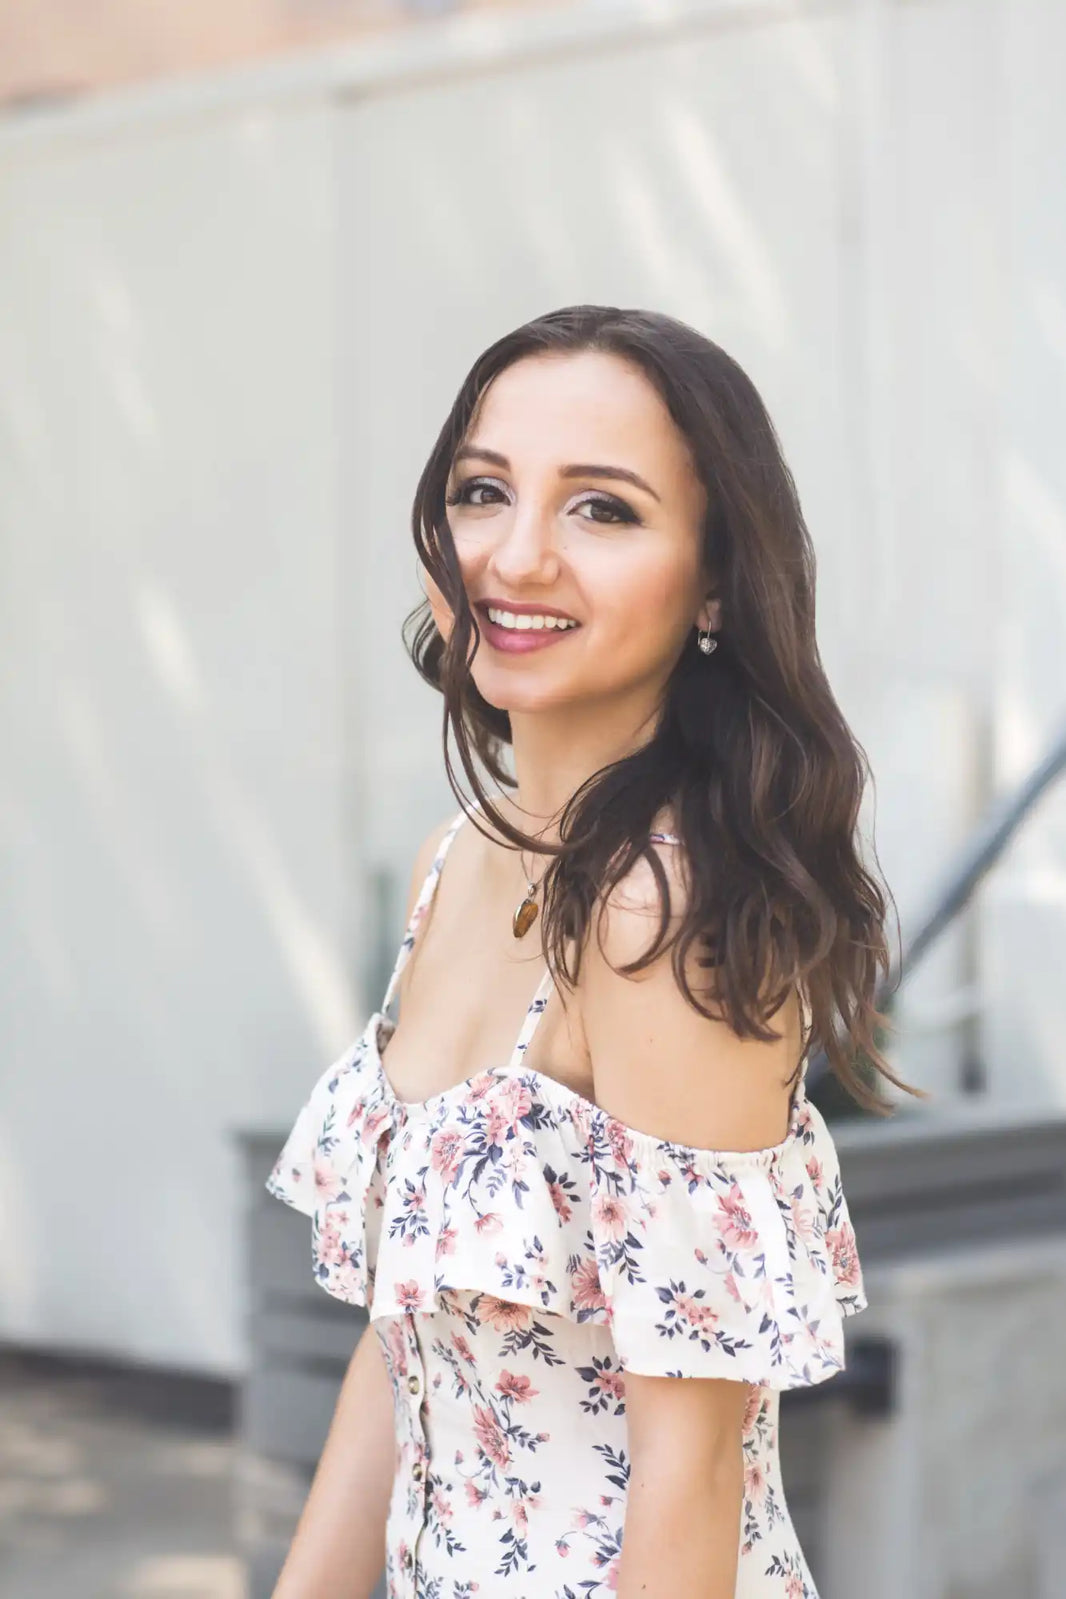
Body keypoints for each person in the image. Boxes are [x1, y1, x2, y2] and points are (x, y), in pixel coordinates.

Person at [266, 305, 910, 1599]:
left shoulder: (658, 917)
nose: (514, 556)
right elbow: (401, 1354)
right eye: (482, 491)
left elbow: (692, 1467)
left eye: (600, 510)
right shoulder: (459, 856)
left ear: (714, 580)